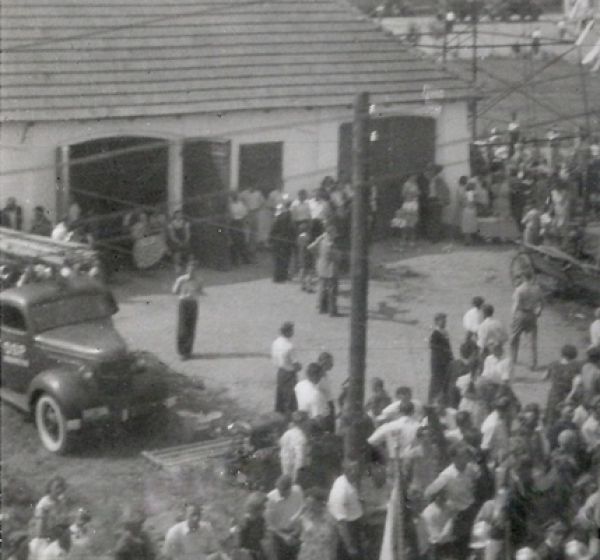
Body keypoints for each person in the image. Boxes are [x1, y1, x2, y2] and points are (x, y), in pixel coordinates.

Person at [328, 460, 364, 560]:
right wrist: (349, 546)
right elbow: (341, 523)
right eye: (354, 469)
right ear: (347, 471)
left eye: (357, 468)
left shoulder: (350, 482)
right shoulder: (341, 489)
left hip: (355, 527)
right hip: (347, 531)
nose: (357, 472)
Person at [510, 268, 544, 373]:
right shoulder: (537, 289)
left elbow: (515, 305)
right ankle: (533, 364)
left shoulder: (519, 289)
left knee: (514, 338)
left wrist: (512, 317)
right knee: (532, 340)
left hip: (520, 313)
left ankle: (513, 359)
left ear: (523, 277)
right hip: (532, 314)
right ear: (531, 277)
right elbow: (542, 302)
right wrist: (539, 311)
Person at [29, 476, 70, 560]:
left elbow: (64, 521)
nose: (59, 490)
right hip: (42, 539)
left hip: (56, 538)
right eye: (56, 487)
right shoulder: (44, 503)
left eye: (61, 487)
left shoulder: (61, 502)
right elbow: (39, 530)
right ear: (50, 488)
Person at [265, 475, 304, 560]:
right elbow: (269, 524)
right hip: (279, 535)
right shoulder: (270, 498)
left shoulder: (297, 491)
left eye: (283, 491)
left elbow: (301, 510)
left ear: (290, 488)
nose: (280, 493)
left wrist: (297, 530)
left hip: (296, 532)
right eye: (279, 490)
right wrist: (284, 536)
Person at [172, 260, 204, 360]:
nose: (192, 271)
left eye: (194, 269)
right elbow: (174, 291)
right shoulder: (181, 280)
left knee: (191, 326)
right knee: (182, 327)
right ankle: (182, 351)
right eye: (190, 269)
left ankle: (188, 352)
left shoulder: (199, 280)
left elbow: (200, 291)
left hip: (193, 304)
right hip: (184, 303)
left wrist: (195, 293)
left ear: (196, 270)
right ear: (187, 269)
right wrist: (182, 291)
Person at [294, 487, 337, 560]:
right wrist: (300, 511)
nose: (310, 507)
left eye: (312, 504)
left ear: (320, 503)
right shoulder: (304, 517)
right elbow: (291, 527)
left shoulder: (330, 517)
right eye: (307, 504)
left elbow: (334, 538)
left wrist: (333, 553)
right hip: (307, 554)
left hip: (325, 554)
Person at [308, 222, 341, 317]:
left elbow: (310, 247)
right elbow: (337, 257)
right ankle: (332, 310)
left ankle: (322, 308)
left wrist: (317, 254)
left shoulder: (321, 241)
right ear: (331, 233)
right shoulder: (331, 244)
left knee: (322, 289)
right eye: (334, 233)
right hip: (331, 269)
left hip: (321, 267)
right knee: (332, 291)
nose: (336, 235)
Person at [544, 345, 581, 426]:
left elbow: (544, 377)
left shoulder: (553, 364)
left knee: (551, 416)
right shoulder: (575, 367)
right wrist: (570, 396)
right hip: (566, 394)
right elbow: (576, 384)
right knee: (565, 417)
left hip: (553, 394)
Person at [271, 322, 302, 416]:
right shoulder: (289, 346)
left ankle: (279, 417)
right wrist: (299, 366)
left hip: (280, 372)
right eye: (292, 330)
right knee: (291, 400)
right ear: (288, 332)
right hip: (289, 374)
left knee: (280, 397)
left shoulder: (276, 342)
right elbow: (296, 364)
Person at [419, 488, 456, 559]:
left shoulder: (449, 508)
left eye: (445, 495)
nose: (444, 497)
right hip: (435, 546)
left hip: (447, 544)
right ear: (436, 496)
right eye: (441, 495)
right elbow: (428, 531)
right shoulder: (428, 511)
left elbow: (451, 523)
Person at [429, 312, 454, 404]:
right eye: (442, 321)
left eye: (445, 320)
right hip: (439, 363)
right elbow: (434, 347)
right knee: (437, 382)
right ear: (436, 322)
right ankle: (434, 401)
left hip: (446, 362)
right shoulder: (435, 334)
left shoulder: (444, 332)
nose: (444, 322)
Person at [279, 410, 309, 482]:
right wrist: (301, 469)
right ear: (303, 423)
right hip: (295, 466)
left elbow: (281, 443)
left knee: (287, 481)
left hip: (285, 462)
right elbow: (300, 455)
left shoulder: (287, 433)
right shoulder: (301, 436)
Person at [237, 492, 268, 560]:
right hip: (247, 555)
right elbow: (240, 544)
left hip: (259, 552)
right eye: (263, 507)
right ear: (257, 508)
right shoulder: (245, 521)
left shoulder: (261, 519)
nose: (265, 509)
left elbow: (262, 537)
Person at [270, 202, 296, 283]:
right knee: (284, 260)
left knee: (279, 260)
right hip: (284, 242)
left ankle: (278, 277)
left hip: (279, 242)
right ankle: (282, 276)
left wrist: (271, 240)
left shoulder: (278, 220)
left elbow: (272, 231)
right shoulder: (289, 222)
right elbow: (293, 233)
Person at [229, 192, 251, 266]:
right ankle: (235, 260)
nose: (234, 197)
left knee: (241, 241)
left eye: (235, 196)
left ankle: (244, 259)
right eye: (233, 196)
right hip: (234, 223)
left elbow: (245, 214)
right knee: (234, 242)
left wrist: (244, 222)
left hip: (239, 222)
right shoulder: (230, 205)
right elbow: (231, 215)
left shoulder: (239, 204)